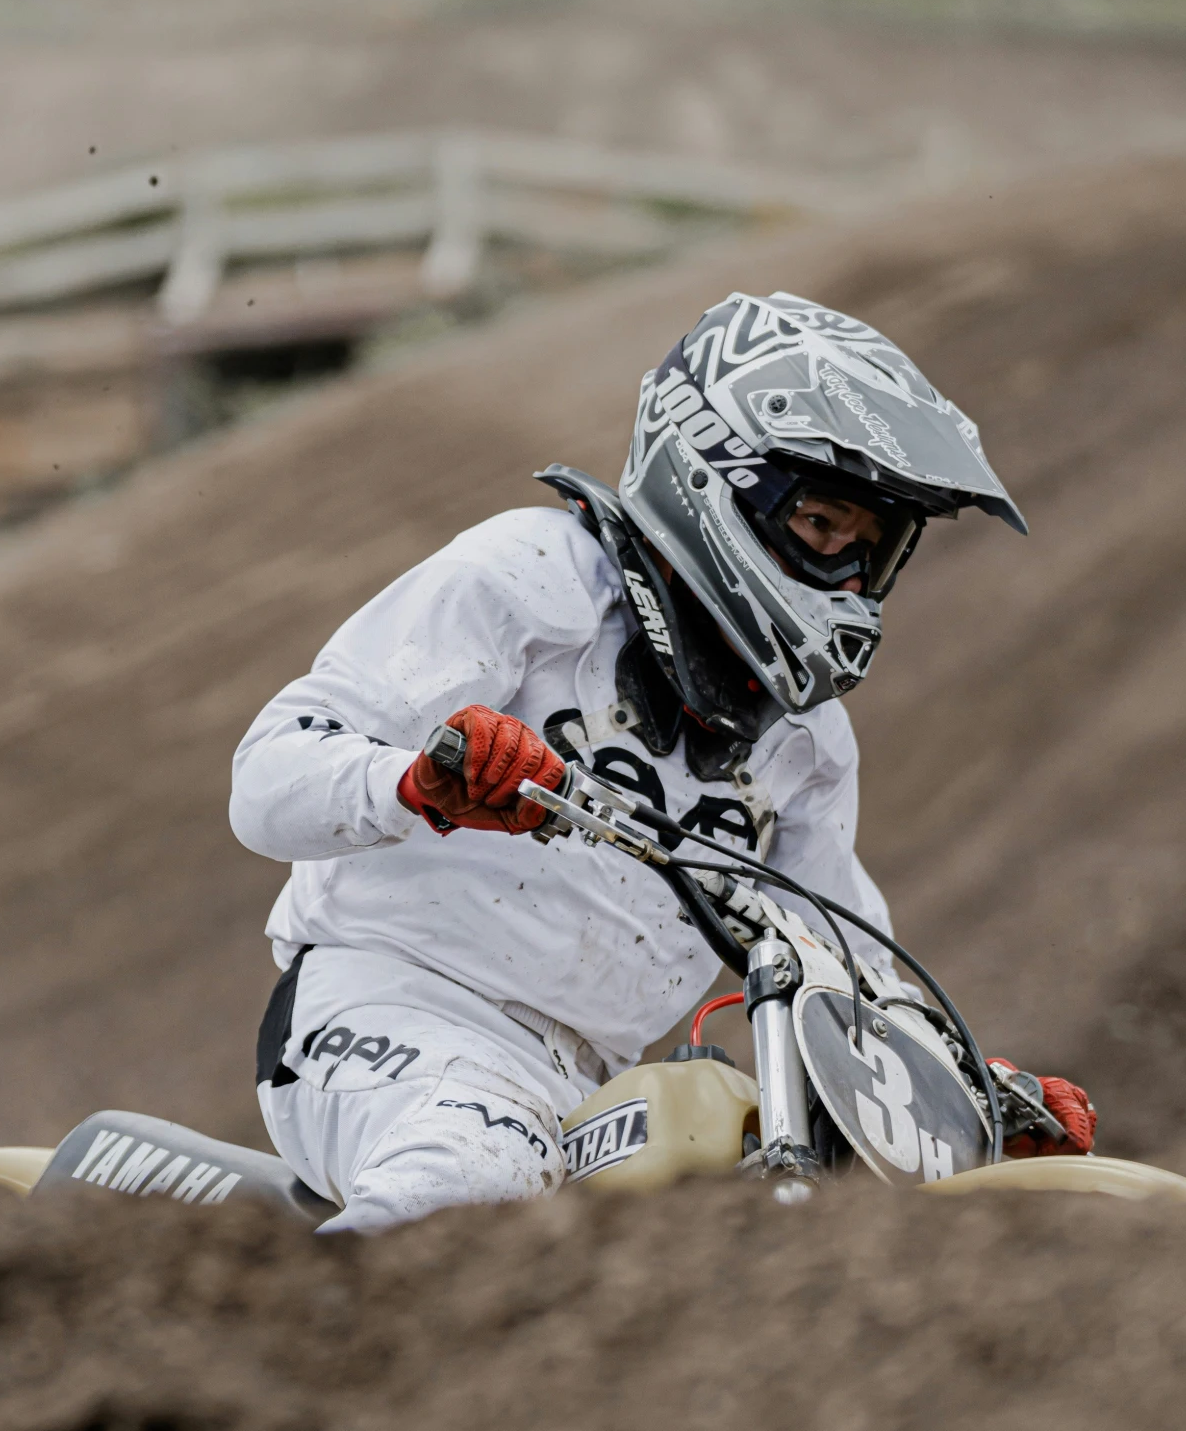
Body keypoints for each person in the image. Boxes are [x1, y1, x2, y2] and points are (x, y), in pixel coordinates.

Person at [230, 290, 1094, 1230]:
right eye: (819, 526)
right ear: (720, 475)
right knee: (468, 1191)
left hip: (591, 1092)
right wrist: (417, 784)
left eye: (868, 547)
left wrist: (974, 1097)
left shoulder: (804, 745)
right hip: (388, 1007)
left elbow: (845, 964)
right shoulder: (531, 578)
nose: (846, 570)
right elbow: (267, 776)